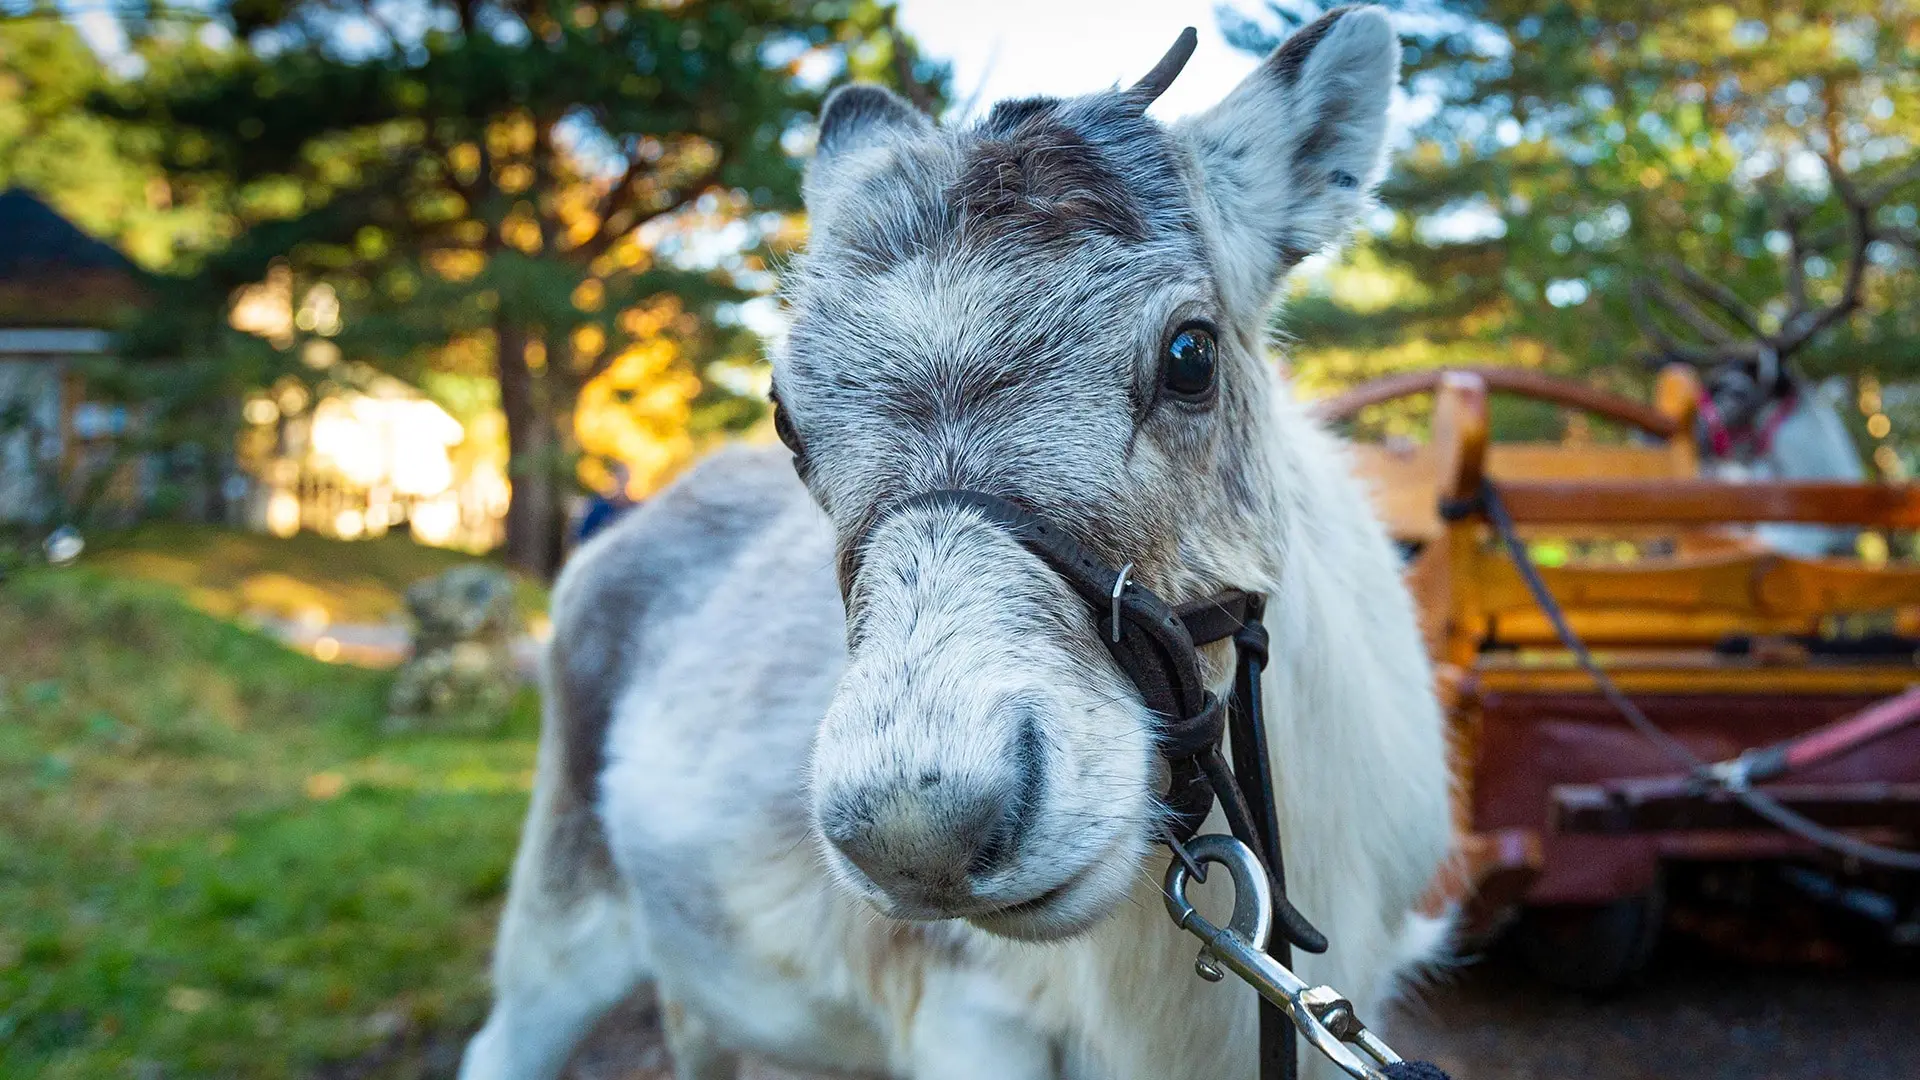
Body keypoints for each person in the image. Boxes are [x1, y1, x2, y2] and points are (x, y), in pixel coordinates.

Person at [575, 463, 634, 545]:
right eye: (619, 475)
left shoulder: (635, 510)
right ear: (613, 477)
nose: (622, 480)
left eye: (624, 476)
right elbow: (584, 537)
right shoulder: (598, 508)